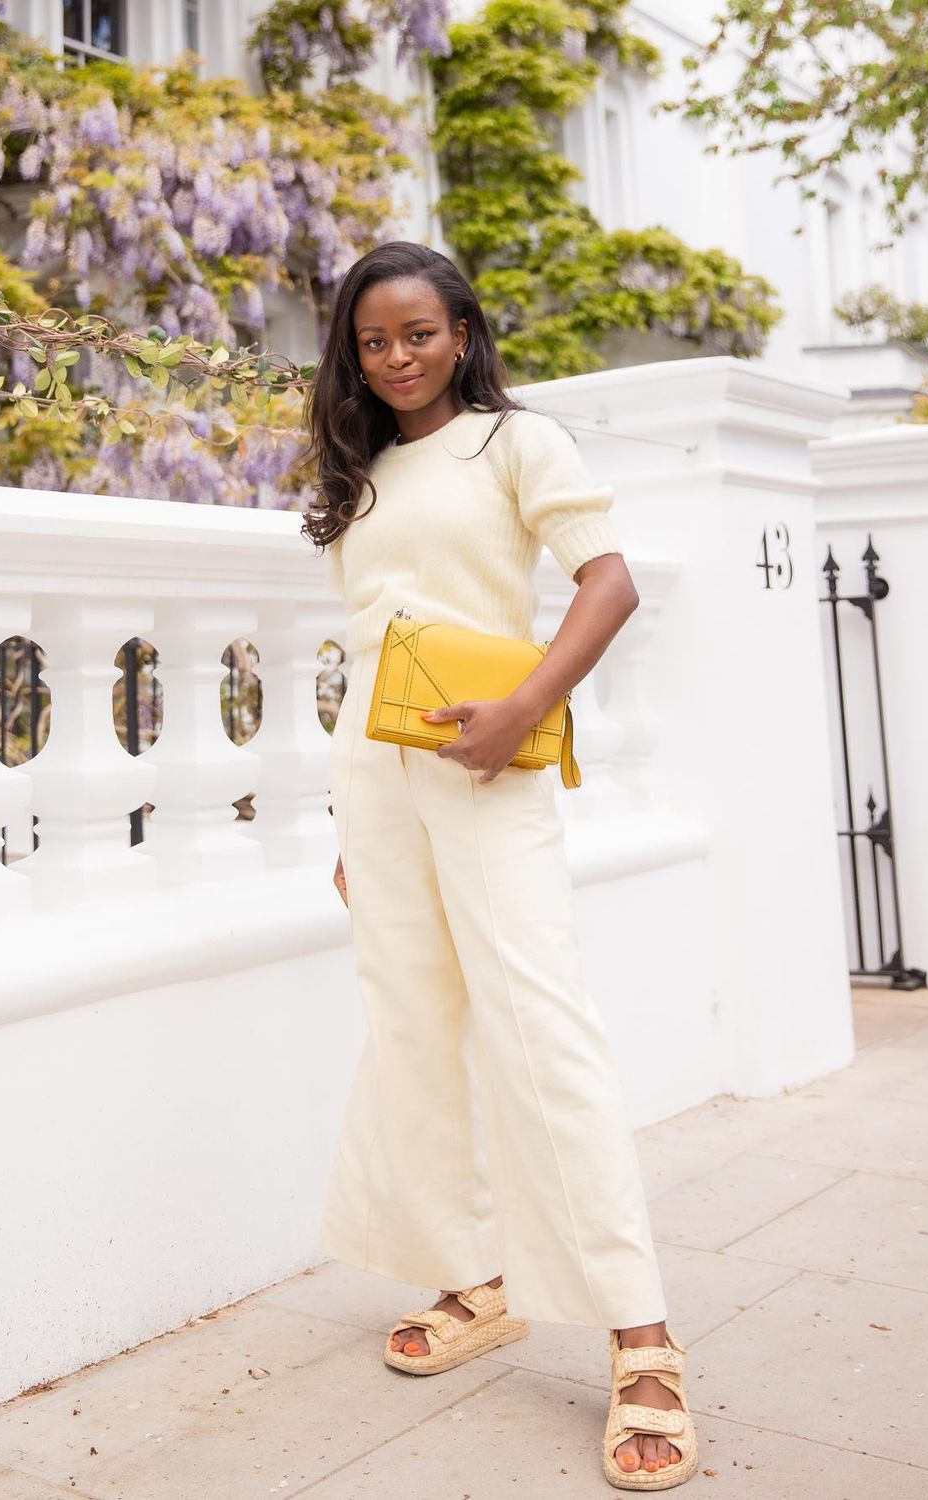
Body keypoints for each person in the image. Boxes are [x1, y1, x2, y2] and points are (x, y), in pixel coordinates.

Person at [299, 240, 698, 1490]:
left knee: (541, 1028)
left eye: (418, 332)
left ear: (462, 332)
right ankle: (478, 1281)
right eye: (374, 340)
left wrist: (525, 707)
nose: (397, 356)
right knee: (413, 1028)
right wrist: (349, 831)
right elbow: (367, 650)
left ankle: (643, 1334)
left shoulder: (521, 443)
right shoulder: (359, 476)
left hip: (495, 765)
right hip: (380, 785)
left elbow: (609, 581)